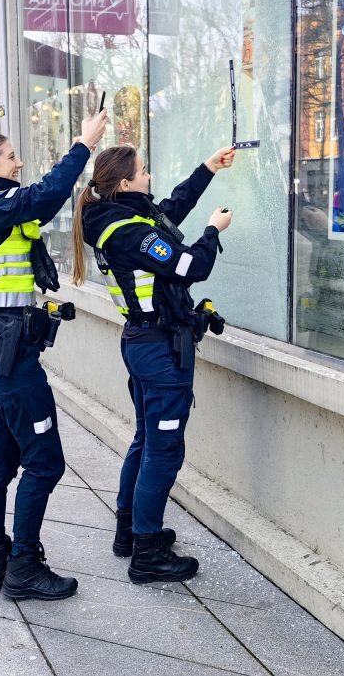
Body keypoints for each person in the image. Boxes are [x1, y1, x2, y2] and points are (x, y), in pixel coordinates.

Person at [0, 111, 108, 601]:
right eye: (11, 156)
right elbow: (45, 196)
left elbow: (31, 206)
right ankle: (23, 566)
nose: (19, 162)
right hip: (6, 356)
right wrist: (82, 146)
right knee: (45, 462)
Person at [72, 144, 235, 584]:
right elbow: (190, 266)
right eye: (143, 172)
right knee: (163, 451)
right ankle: (146, 553)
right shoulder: (128, 231)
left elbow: (170, 209)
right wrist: (213, 230)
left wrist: (207, 167)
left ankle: (130, 532)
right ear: (124, 183)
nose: (149, 176)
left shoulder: (124, 218)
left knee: (146, 440)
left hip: (144, 343)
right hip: (159, 350)